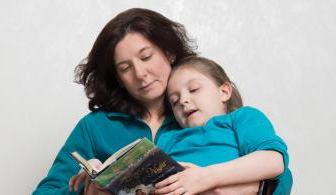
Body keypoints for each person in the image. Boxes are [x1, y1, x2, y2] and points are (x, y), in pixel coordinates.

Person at [32, 8, 291, 195]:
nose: (140, 74)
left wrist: (245, 187)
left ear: (168, 52)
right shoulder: (95, 127)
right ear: (118, 78)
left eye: (146, 57)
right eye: (125, 68)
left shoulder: (201, 113)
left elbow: (280, 175)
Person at [154, 56, 292, 195]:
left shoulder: (242, 118)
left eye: (194, 89)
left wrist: (205, 178)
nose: (183, 101)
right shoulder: (168, 137)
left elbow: (274, 161)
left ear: (224, 92)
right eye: (174, 101)